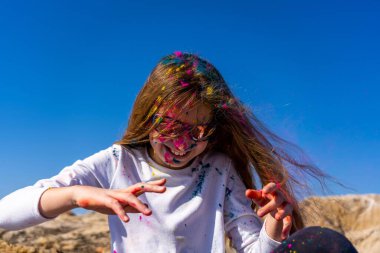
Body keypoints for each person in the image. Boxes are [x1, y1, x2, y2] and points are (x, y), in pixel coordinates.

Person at [0, 52, 357, 253]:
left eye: (197, 131)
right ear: (147, 114)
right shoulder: (119, 161)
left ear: (213, 132)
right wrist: (77, 194)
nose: (181, 144)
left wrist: (274, 231)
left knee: (325, 245)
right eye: (170, 126)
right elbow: (5, 214)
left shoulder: (218, 170)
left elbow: (254, 250)